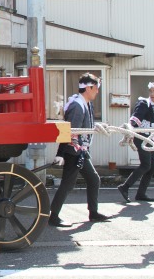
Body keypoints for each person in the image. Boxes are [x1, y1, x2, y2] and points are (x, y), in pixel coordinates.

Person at [49, 73, 109, 227]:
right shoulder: (77, 105)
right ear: (89, 88)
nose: (97, 91)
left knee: (94, 179)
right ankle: (53, 216)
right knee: (68, 184)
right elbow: (69, 131)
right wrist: (60, 154)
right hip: (73, 151)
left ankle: (93, 213)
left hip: (81, 150)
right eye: (96, 88)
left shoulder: (86, 103)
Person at [117, 81, 154, 203]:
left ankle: (141, 193)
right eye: (151, 91)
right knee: (146, 165)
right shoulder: (144, 103)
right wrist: (130, 128)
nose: (152, 93)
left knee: (152, 167)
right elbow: (136, 117)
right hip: (141, 137)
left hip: (152, 139)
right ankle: (125, 187)